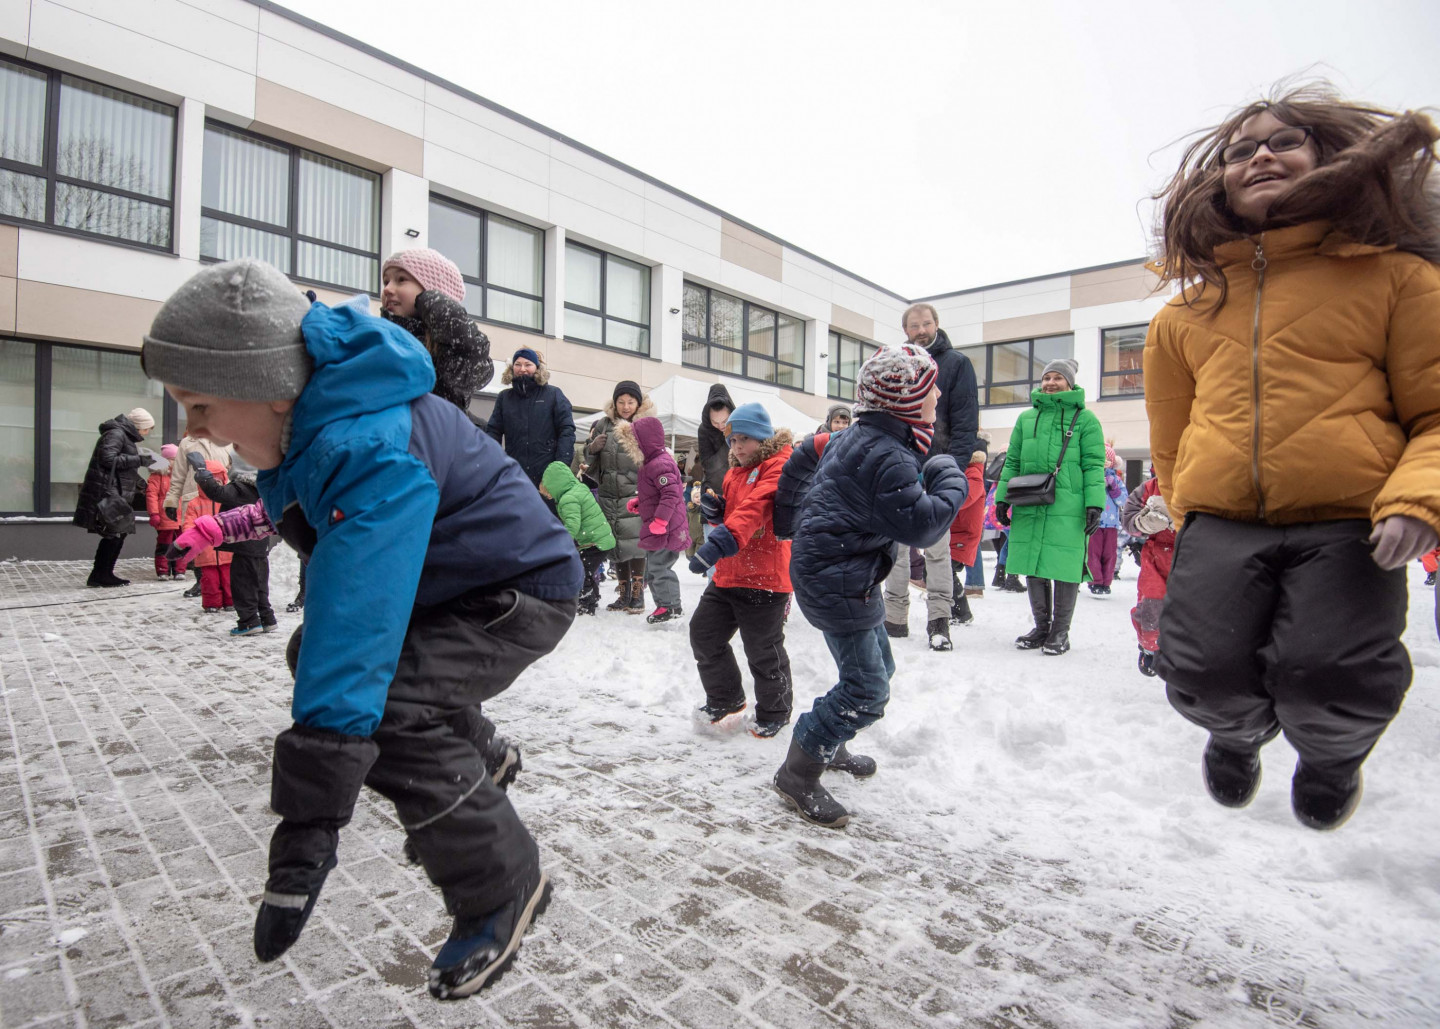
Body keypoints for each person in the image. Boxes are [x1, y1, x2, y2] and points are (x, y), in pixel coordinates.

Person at [143, 259, 581, 998]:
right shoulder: (325, 424)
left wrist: (307, 829)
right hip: (456, 585)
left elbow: (356, 633)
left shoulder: (366, 444)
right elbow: (317, 565)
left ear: (271, 387)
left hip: (514, 592)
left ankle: (502, 886)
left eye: (201, 404)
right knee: (317, 655)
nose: (198, 431)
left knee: (377, 704)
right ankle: (483, 755)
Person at [1145, 85, 1440, 831]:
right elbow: (1172, 435)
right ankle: (1236, 735)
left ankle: (1332, 759)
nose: (1262, 156)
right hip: (1219, 522)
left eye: (1285, 140)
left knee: (1330, 679)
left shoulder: (1397, 279)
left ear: (1329, 158)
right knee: (1199, 674)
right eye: (1242, 150)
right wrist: (1190, 509)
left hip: (1351, 521)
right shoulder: (1182, 315)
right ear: (1220, 179)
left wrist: (1418, 501)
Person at [773, 344, 966, 827]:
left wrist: (788, 516)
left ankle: (830, 745)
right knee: (867, 690)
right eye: (930, 385)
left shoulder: (865, 439)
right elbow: (923, 527)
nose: (939, 393)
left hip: (844, 574)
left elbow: (804, 458)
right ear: (905, 398)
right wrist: (948, 474)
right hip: (837, 581)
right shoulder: (886, 453)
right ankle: (799, 771)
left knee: (880, 666)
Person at [687, 403, 794, 737]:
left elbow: (756, 509)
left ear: (763, 437)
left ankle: (775, 711)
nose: (738, 447)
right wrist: (717, 511)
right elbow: (736, 512)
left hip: (765, 578)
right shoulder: (736, 472)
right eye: (733, 441)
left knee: (763, 650)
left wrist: (719, 542)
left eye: (745, 439)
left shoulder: (779, 467)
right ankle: (726, 698)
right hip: (730, 573)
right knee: (704, 634)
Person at [882, 304, 979, 652]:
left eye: (926, 324)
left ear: (937, 324)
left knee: (938, 550)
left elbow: (966, 424)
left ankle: (940, 620)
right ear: (905, 329)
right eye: (913, 325)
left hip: (939, 465)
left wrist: (952, 468)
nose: (920, 330)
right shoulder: (899, 363)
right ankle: (894, 616)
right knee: (896, 547)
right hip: (900, 465)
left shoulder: (956, 364)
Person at [994, 358, 1105, 656]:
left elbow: (1094, 465)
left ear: (1070, 383)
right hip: (1030, 501)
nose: (1050, 383)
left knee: (1065, 566)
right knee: (1034, 562)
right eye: (1047, 378)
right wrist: (1002, 497)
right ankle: (1042, 627)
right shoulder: (1026, 419)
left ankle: (1060, 632)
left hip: (1069, 503)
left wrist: (1095, 503)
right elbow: (1013, 461)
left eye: (1057, 378)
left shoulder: (1085, 419)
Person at [379, 248, 493, 412]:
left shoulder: (447, 349)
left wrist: (436, 306)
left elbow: (470, 355)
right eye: (386, 281)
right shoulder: (380, 338)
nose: (387, 289)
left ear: (431, 292)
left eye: (401, 279)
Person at [584, 381, 651, 612]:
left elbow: (654, 459)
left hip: (634, 494)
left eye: (630, 402)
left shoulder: (644, 425)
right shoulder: (603, 424)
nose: (625, 406)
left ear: (638, 403)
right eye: (621, 402)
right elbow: (588, 463)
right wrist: (592, 448)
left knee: (636, 544)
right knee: (616, 545)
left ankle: (638, 593)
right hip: (609, 495)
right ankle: (623, 593)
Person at [615, 415, 689, 623]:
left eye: (635, 443)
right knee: (655, 566)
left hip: (667, 529)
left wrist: (661, 521)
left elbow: (671, 494)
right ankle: (668, 605)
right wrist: (642, 502)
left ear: (644, 442)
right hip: (662, 527)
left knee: (660, 567)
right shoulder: (652, 463)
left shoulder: (659, 464)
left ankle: (669, 606)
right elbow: (657, 493)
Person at [192, 460, 277, 636]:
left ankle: (248, 622)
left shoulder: (241, 488)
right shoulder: (264, 488)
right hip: (261, 545)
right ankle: (267, 619)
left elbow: (217, 492)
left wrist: (203, 473)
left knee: (243, 584)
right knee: (260, 583)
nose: (229, 467)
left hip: (244, 545)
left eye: (231, 464)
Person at [73, 407, 156, 587]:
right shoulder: (116, 434)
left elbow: (124, 469)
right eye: (148, 427)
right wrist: (140, 460)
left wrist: (143, 485)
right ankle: (100, 574)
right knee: (114, 533)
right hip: (109, 491)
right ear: (139, 425)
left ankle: (103, 573)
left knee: (118, 532)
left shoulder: (123, 436)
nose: (148, 432)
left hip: (117, 491)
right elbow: (108, 460)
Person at [485, 347, 575, 488]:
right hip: (514, 475)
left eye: (528, 364)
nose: (522, 369)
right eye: (518, 364)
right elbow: (493, 431)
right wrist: (493, 463)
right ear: (512, 367)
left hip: (547, 477)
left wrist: (560, 467)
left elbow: (566, 430)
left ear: (537, 368)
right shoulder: (504, 398)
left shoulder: (553, 395)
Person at [540, 460, 616, 616]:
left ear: (555, 485)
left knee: (581, 571)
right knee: (585, 570)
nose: (549, 497)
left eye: (548, 492)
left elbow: (573, 525)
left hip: (596, 543)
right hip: (599, 539)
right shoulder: (577, 489)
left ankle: (586, 605)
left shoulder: (568, 498)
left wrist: (562, 542)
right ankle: (591, 598)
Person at [166, 430, 233, 599]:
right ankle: (201, 581)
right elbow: (178, 475)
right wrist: (172, 500)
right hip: (195, 499)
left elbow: (235, 470)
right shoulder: (188, 442)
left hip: (222, 498)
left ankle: (227, 583)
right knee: (197, 542)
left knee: (223, 542)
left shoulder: (228, 439)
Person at [1121, 470, 1175, 677]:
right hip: (1156, 555)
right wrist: (1142, 524)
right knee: (1152, 605)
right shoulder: (1149, 488)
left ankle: (1186, 654)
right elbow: (1128, 519)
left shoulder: (1201, 484)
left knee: (1193, 610)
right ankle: (1150, 648)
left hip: (1192, 552)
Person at [946, 439, 989, 627]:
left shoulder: (973, 474)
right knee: (941, 571)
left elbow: (965, 498)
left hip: (963, 534)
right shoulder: (966, 472)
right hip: (956, 532)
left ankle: (961, 611)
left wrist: (943, 495)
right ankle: (954, 609)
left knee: (943, 571)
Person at [1086, 458, 1129, 595]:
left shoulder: (1116, 480)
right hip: (1094, 522)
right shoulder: (1090, 476)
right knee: (1093, 553)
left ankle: (1106, 582)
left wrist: (1114, 488)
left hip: (1111, 524)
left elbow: (1123, 500)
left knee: (1110, 554)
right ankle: (1095, 581)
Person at [146, 443, 181, 578]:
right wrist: (154, 513)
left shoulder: (181, 476)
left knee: (181, 542)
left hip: (180, 516)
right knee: (164, 544)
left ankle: (179, 570)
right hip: (164, 515)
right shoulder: (157, 476)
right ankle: (163, 570)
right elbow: (151, 495)